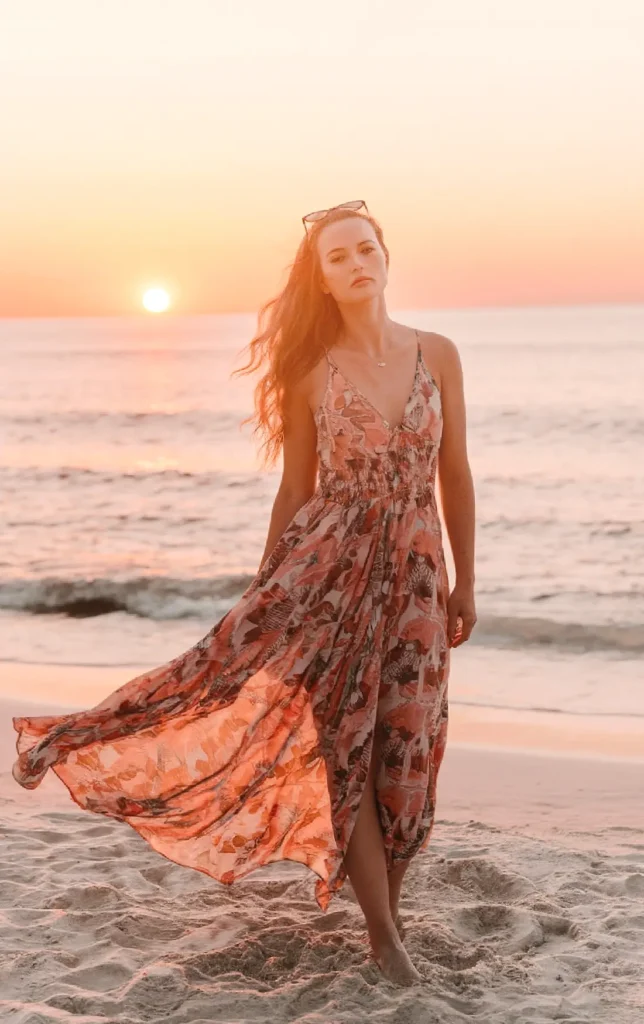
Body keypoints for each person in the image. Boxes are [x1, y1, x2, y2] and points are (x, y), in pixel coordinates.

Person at [12, 199, 477, 987]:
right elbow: (297, 489)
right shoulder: (308, 373)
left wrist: (469, 581)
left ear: (386, 257)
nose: (357, 262)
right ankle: (385, 935)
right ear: (322, 280)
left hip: (419, 578)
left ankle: (384, 912)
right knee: (349, 754)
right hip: (326, 580)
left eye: (366, 248)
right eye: (339, 257)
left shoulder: (440, 352)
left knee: (408, 747)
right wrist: (269, 591)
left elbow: (454, 473)